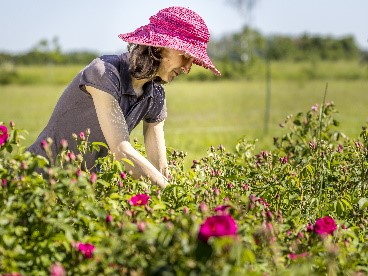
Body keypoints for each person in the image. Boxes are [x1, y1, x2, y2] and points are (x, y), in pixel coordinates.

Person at [26, 6, 221, 189]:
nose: (187, 68)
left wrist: (172, 198)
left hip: (77, 190)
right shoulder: (103, 74)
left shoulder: (155, 96)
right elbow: (122, 151)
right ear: (161, 47)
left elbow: (160, 168)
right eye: (186, 56)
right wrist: (168, 191)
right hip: (35, 179)